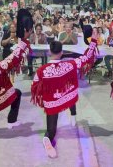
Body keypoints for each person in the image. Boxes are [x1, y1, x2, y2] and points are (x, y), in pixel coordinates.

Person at [30, 30, 98, 158]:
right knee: (73, 94)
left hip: (51, 102)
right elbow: (87, 57)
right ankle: (73, 117)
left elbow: (34, 87)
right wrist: (93, 41)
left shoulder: (41, 70)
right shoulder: (70, 64)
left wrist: (46, 93)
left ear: (49, 52)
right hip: (66, 96)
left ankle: (47, 139)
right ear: (61, 52)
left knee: (51, 130)